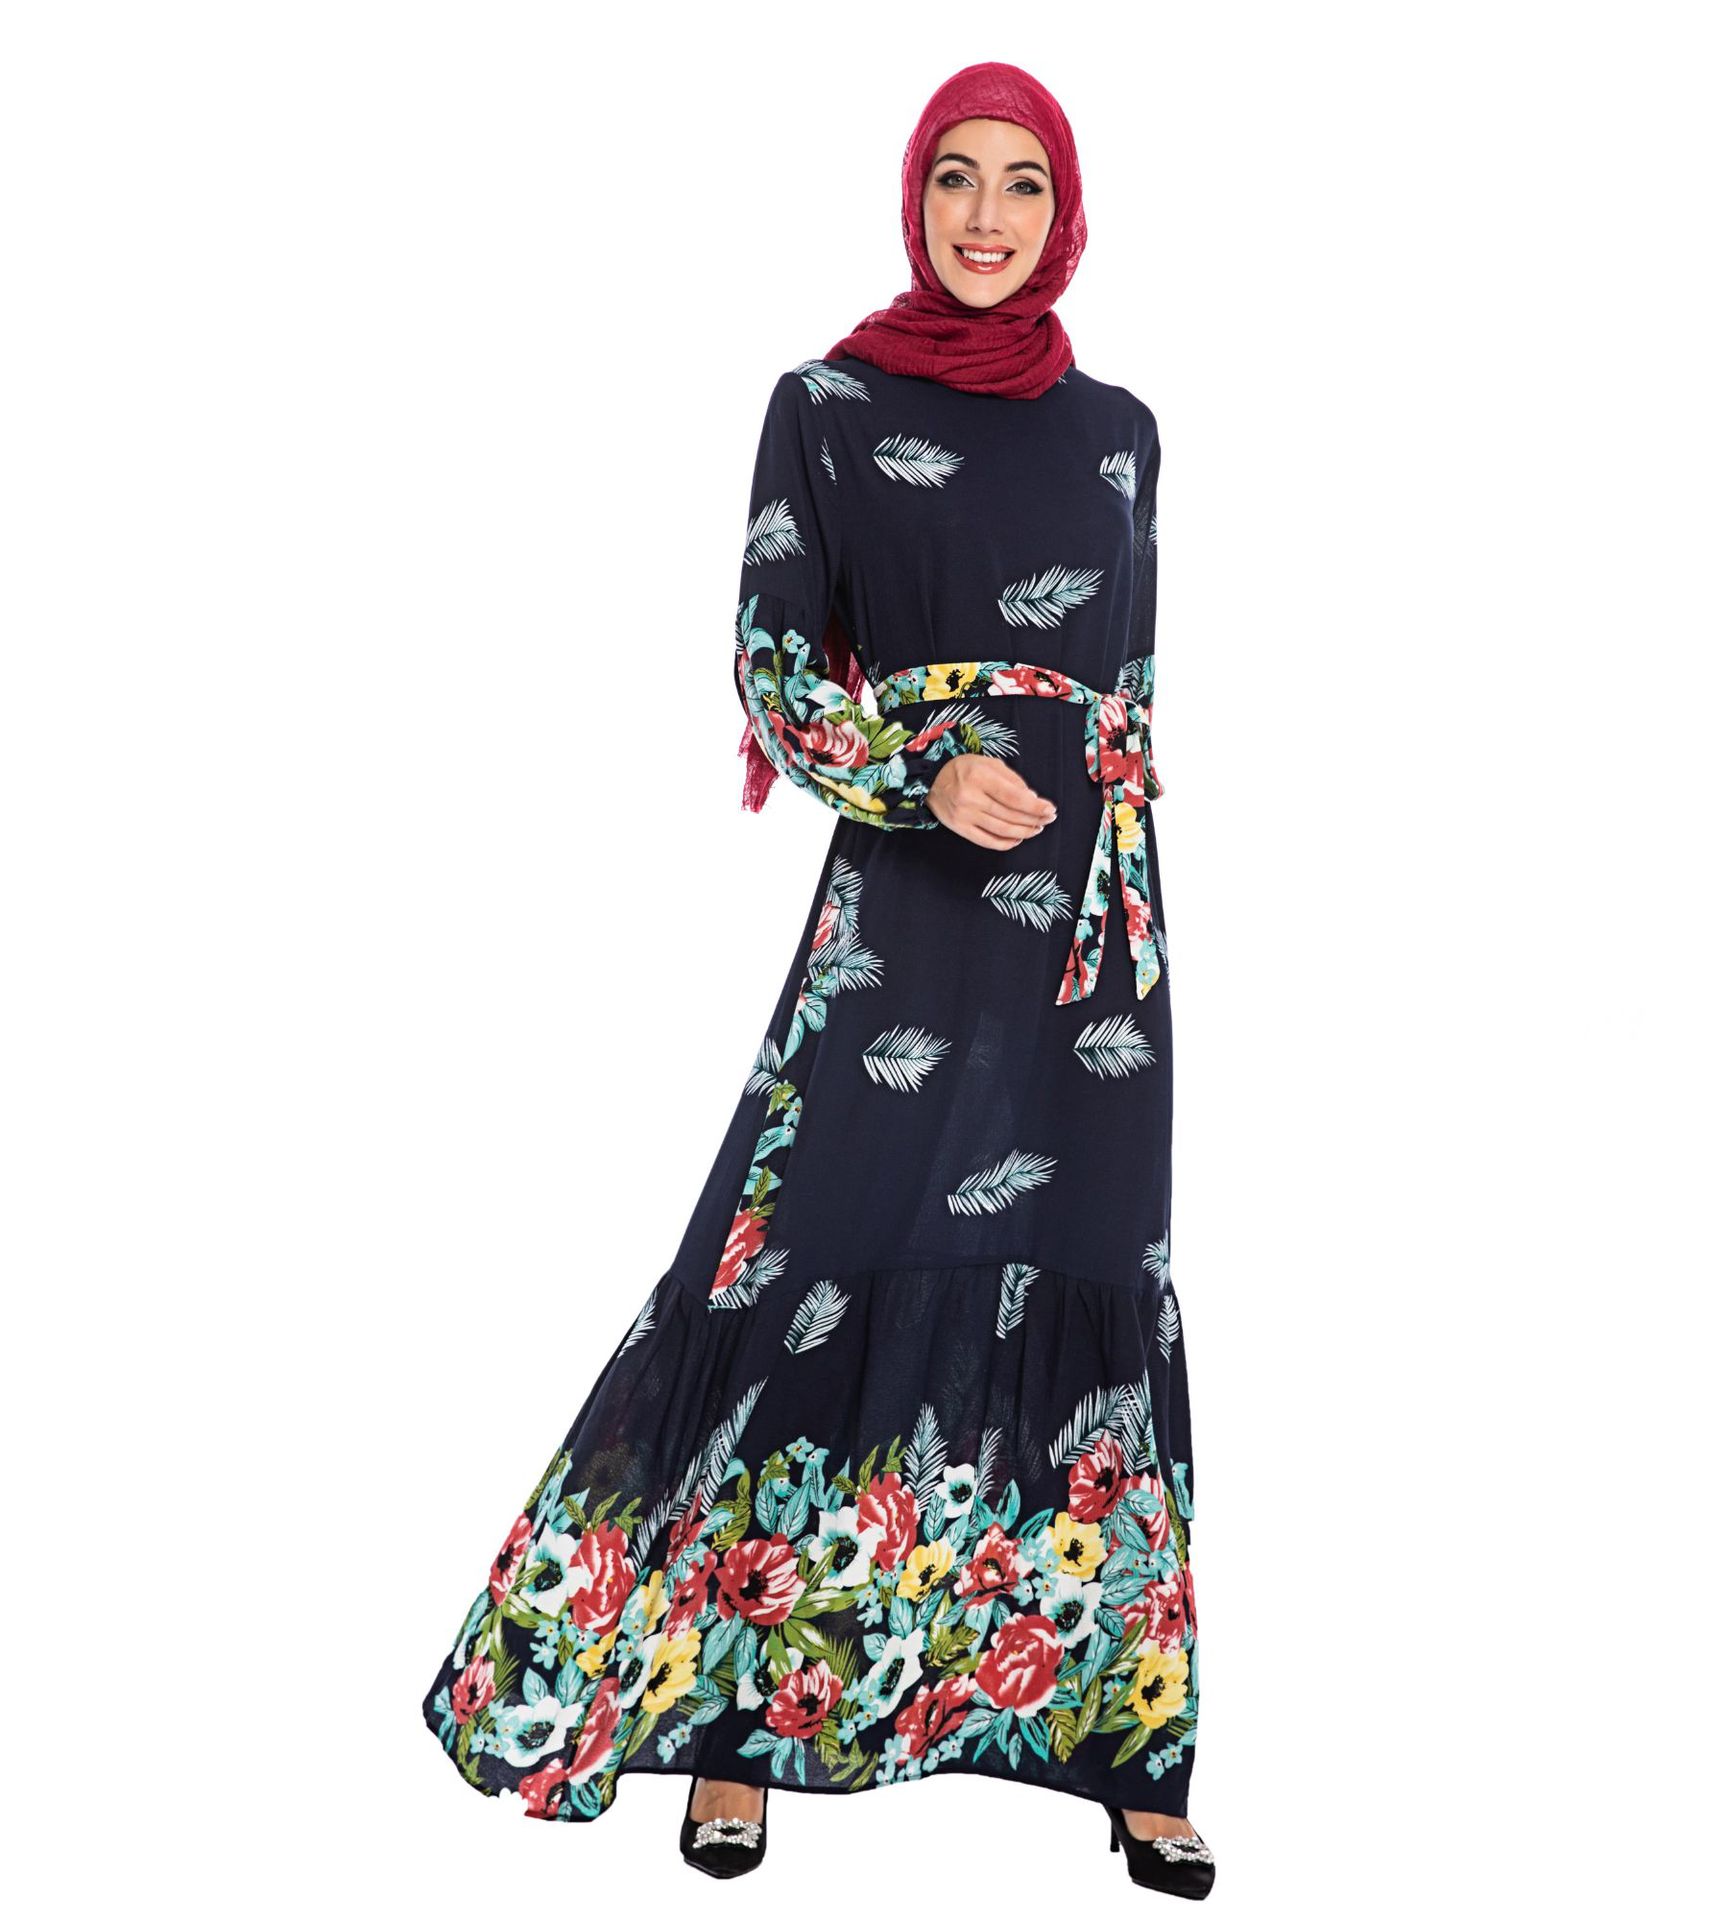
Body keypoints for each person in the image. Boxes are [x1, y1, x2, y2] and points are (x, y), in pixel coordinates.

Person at [420, 60, 1212, 1899]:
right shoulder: (830, 407)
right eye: (958, 178)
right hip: (906, 914)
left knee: (1090, 1270)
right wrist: (924, 771)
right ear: (913, 197)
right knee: (805, 1259)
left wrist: (1114, 808)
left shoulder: (1123, 433)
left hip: (1094, 948)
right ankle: (731, 1719)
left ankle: (1126, 1739)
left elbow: (1131, 684)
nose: (989, 217)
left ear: (1067, 209)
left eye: (1024, 183)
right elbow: (776, 666)